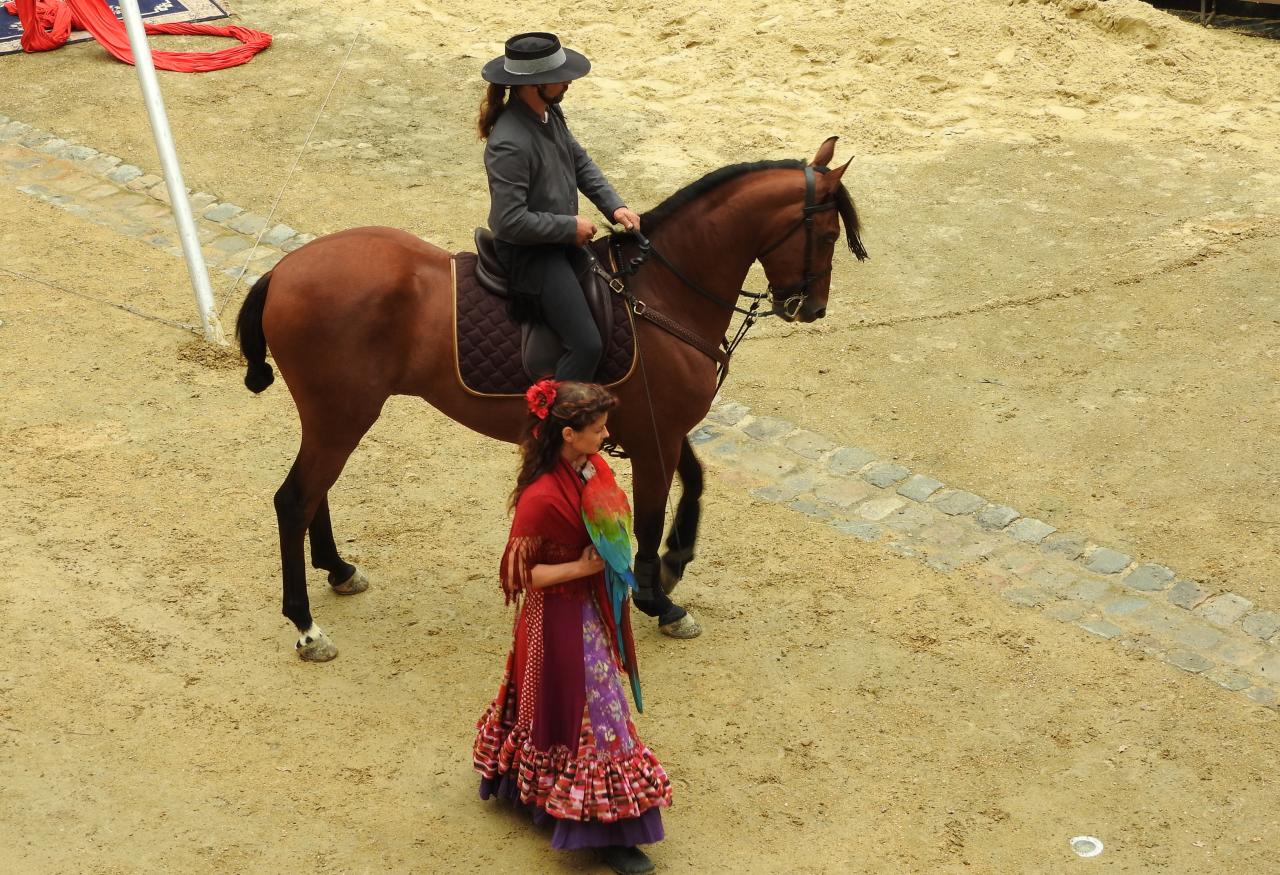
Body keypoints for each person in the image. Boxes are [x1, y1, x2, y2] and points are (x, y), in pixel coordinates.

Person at [473, 380, 670, 875]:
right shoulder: (539, 498)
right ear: (567, 434)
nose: (606, 436)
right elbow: (522, 574)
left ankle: (556, 798)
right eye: (598, 429)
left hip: (591, 611)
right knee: (602, 717)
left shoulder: (591, 469)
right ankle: (609, 832)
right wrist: (583, 571)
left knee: (567, 710)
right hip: (557, 618)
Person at [478, 32, 643, 382]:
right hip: (531, 254)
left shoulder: (549, 113)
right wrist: (570, 227)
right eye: (559, 77)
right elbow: (510, 221)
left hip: (558, 242)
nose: (568, 80)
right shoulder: (508, 142)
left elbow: (579, 162)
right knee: (586, 345)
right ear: (533, 85)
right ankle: (555, 430)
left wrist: (615, 207)